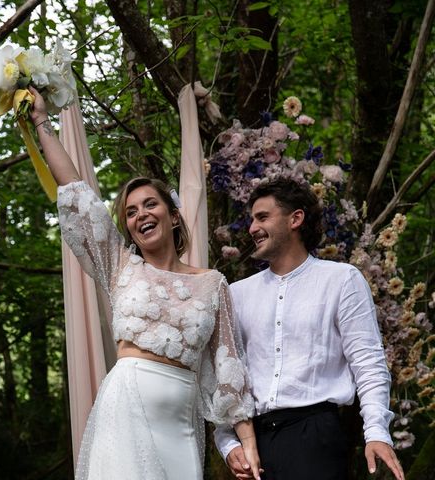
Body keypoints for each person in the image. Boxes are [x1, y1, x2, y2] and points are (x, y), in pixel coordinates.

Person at [27, 88, 262, 480]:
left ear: (172, 216)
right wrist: (40, 122)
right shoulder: (120, 266)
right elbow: (76, 192)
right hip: (124, 411)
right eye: (131, 212)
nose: (140, 215)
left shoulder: (213, 284)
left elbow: (228, 367)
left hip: (182, 426)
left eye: (150, 205)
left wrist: (246, 442)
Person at [214, 177, 405, 480]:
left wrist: (377, 432)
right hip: (253, 444)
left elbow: (368, 362)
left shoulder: (342, 280)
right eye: (251, 219)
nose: (252, 228)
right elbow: (227, 376)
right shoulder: (236, 294)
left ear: (296, 219)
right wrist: (227, 444)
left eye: (262, 217)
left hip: (315, 437)